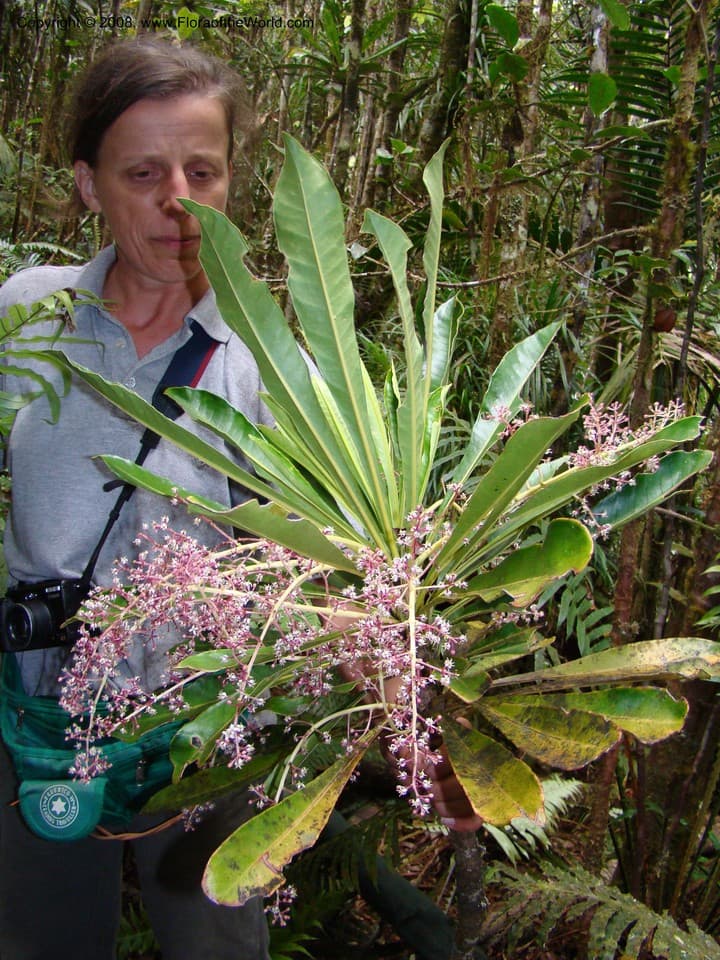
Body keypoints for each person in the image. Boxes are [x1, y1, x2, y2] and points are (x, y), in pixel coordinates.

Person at [0, 38, 272, 960]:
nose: (178, 202)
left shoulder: (266, 358)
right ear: (87, 185)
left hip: (198, 738)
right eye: (144, 171)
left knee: (215, 948)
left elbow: (312, 554)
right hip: (40, 718)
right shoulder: (26, 316)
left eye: (204, 169)